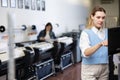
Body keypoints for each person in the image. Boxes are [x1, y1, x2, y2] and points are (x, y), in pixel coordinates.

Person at [79, 6, 109, 80]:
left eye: (103, 18)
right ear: (92, 17)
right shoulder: (85, 33)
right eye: (98, 17)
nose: (101, 20)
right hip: (89, 69)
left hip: (104, 68)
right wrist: (100, 44)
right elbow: (86, 52)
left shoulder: (107, 32)